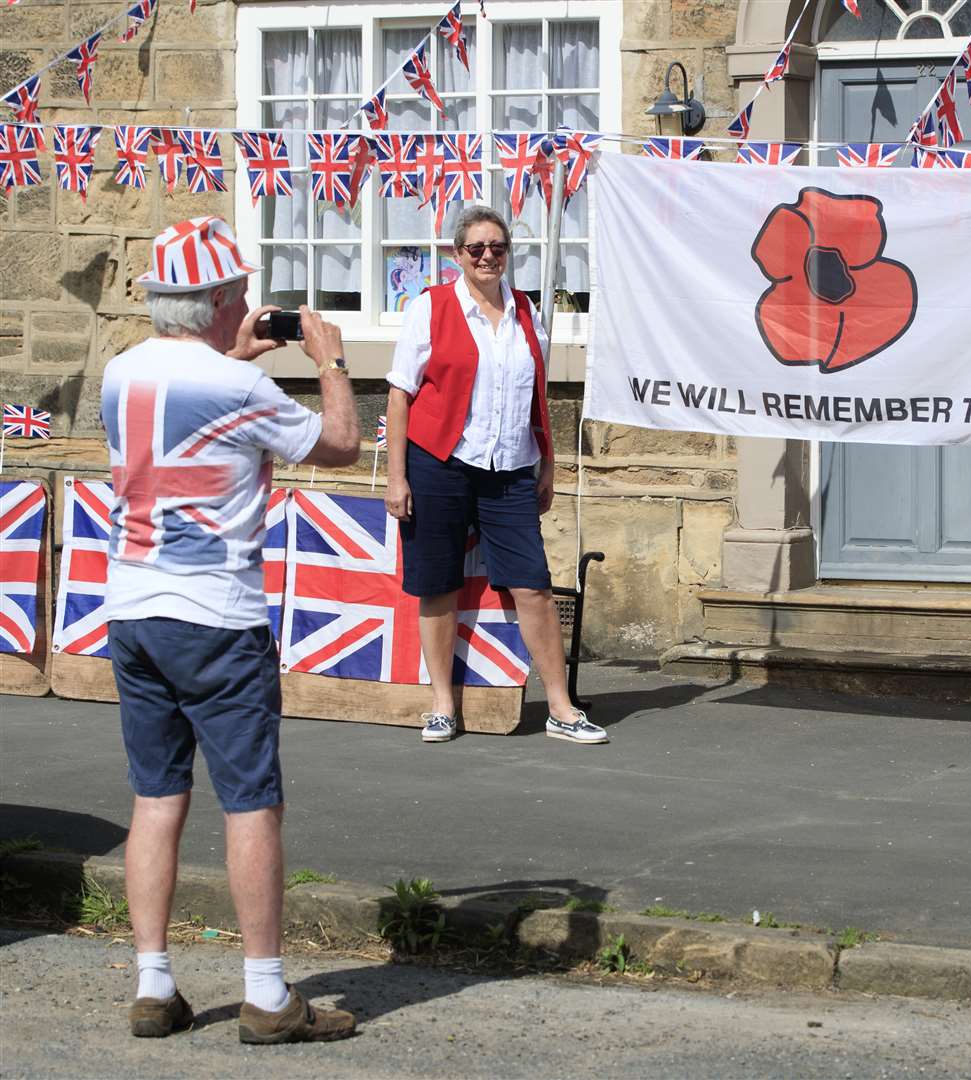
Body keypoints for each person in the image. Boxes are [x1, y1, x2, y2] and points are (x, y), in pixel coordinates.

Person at [104, 217, 361, 1042]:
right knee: (251, 802)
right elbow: (341, 445)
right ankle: (267, 994)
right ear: (217, 302)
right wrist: (328, 358)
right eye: (240, 293)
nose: (250, 303)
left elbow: (192, 421)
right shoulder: (237, 389)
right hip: (215, 612)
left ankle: (153, 983)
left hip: (133, 605)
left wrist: (235, 358)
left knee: (156, 796)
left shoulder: (123, 372)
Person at [383, 205, 607, 746]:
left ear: (508, 254)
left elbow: (537, 392)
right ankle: (442, 703)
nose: (487, 257)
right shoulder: (430, 308)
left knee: (533, 587)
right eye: (476, 248)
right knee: (437, 585)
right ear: (457, 255)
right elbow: (399, 394)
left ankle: (560, 706)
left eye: (498, 248)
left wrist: (547, 462)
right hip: (439, 463)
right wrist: (397, 477)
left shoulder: (529, 312)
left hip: (509, 468)